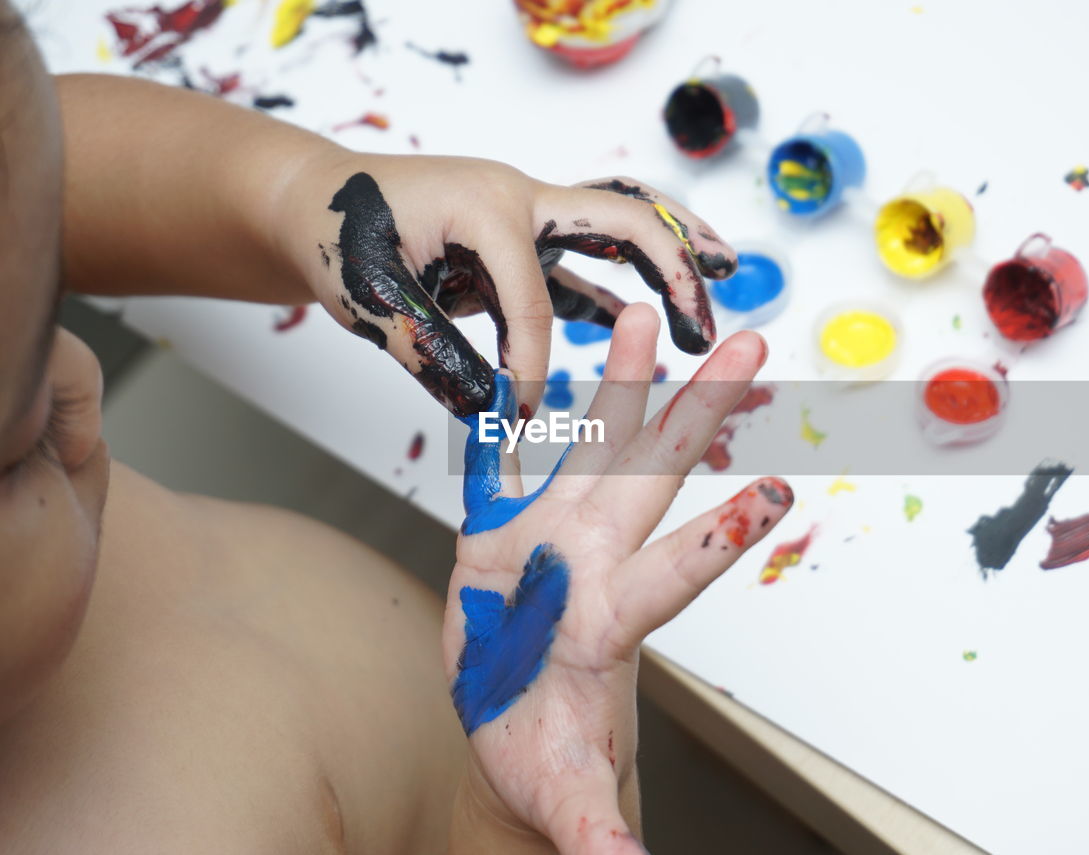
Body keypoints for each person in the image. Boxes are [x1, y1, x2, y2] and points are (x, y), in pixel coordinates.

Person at [0, 4, 795, 854]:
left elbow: (32, 178)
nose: (79, 375)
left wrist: (297, 194)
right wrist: (512, 815)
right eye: (17, 449)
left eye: (46, 325)